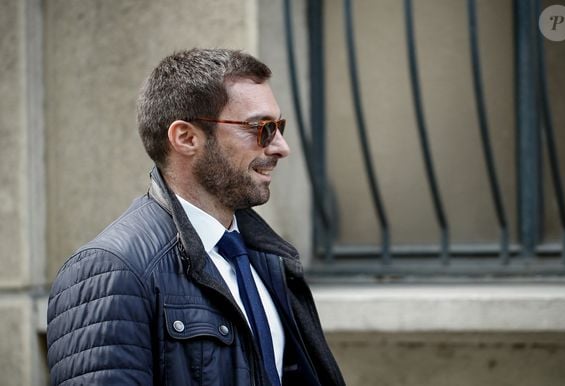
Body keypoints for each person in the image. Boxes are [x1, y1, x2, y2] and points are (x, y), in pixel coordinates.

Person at [46, 48, 345, 386]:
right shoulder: (111, 270)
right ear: (186, 138)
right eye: (261, 128)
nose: (280, 147)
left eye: (279, 127)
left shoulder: (267, 258)